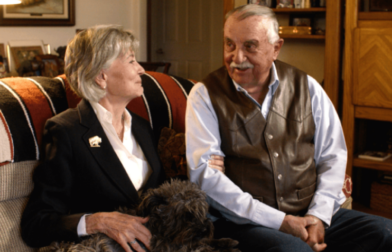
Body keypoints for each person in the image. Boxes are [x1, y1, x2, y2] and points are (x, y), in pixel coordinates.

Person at [185, 4, 392, 252]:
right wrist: (280, 222)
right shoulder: (204, 95)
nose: (237, 58)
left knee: (386, 233)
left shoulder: (308, 87)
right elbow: (206, 178)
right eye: (230, 44)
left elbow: (332, 156)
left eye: (249, 46)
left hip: (310, 212)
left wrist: (317, 217)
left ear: (276, 48)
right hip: (246, 223)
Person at [21, 25, 166, 252]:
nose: (142, 70)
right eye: (131, 61)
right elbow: (36, 223)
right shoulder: (66, 130)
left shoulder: (142, 126)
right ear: (101, 76)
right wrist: (97, 221)